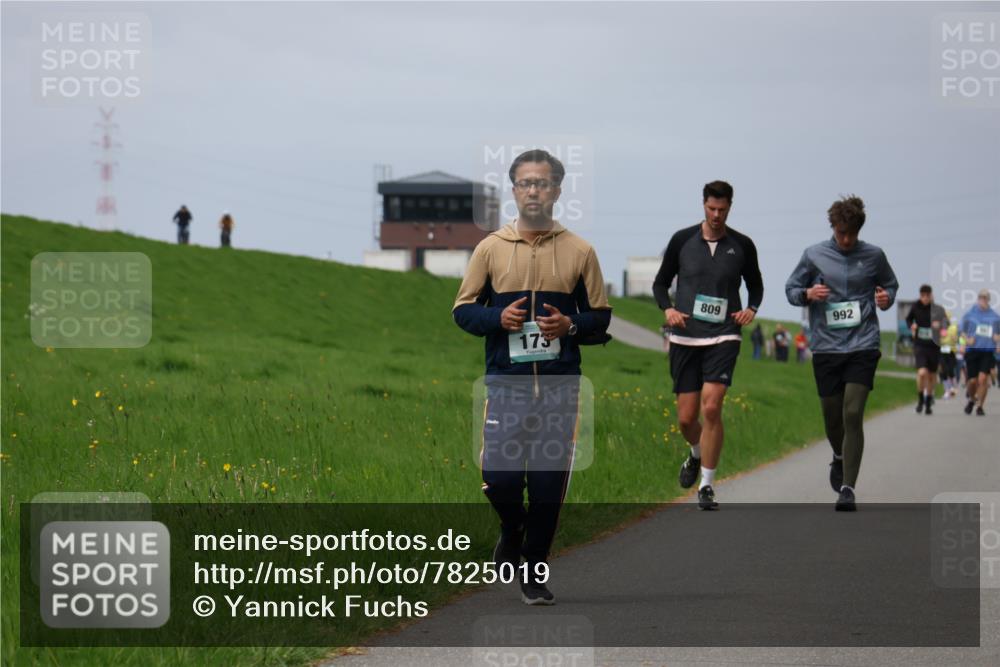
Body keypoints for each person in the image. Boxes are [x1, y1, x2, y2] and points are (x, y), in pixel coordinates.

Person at [452, 149, 611, 605]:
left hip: (561, 389)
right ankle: (510, 527)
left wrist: (572, 326)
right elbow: (462, 310)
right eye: (526, 183)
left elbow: (600, 317)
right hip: (505, 384)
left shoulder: (581, 251)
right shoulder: (490, 248)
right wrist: (497, 318)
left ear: (558, 191)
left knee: (546, 489)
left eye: (543, 183)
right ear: (515, 190)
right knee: (498, 480)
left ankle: (534, 573)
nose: (534, 190)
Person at [652, 180, 763, 511]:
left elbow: (756, 285)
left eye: (723, 210)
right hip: (685, 334)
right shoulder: (682, 240)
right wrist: (668, 309)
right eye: (712, 209)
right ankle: (695, 454)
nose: (716, 215)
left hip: (725, 333)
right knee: (686, 419)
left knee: (711, 407)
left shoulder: (742, 244)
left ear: (730, 207)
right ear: (703, 205)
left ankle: (707, 485)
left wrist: (751, 309)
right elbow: (660, 283)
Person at [785, 195, 898, 511]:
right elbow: (791, 290)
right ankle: (838, 455)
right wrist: (808, 293)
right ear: (833, 228)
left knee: (852, 413)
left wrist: (885, 298)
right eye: (840, 233)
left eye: (850, 233)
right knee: (832, 416)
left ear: (859, 230)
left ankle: (848, 488)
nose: (845, 239)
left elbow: (890, 286)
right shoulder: (814, 255)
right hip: (826, 347)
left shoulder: (874, 256)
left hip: (863, 344)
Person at [905, 285, 948, 415]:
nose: (924, 298)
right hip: (920, 345)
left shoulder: (937, 309)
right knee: (922, 373)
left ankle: (928, 403)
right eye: (922, 296)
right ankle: (920, 401)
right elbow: (908, 319)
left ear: (931, 296)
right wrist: (911, 326)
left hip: (934, 347)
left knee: (931, 376)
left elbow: (947, 323)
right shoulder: (915, 307)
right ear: (920, 295)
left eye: (927, 296)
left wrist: (940, 325)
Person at [959, 289, 1000, 416]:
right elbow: (961, 332)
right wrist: (964, 341)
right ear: (978, 299)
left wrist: (998, 340)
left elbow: (998, 334)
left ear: (988, 300)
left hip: (987, 351)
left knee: (982, 379)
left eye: (985, 297)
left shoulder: (995, 317)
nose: (983, 299)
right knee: (972, 381)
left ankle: (980, 407)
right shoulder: (969, 315)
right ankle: (972, 399)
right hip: (972, 351)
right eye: (981, 297)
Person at [939, 320, 959, 399]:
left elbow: (960, 340)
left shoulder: (953, 329)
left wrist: (956, 340)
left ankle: (953, 387)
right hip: (942, 353)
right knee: (944, 371)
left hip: (951, 353)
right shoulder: (938, 330)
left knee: (950, 371)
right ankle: (947, 390)